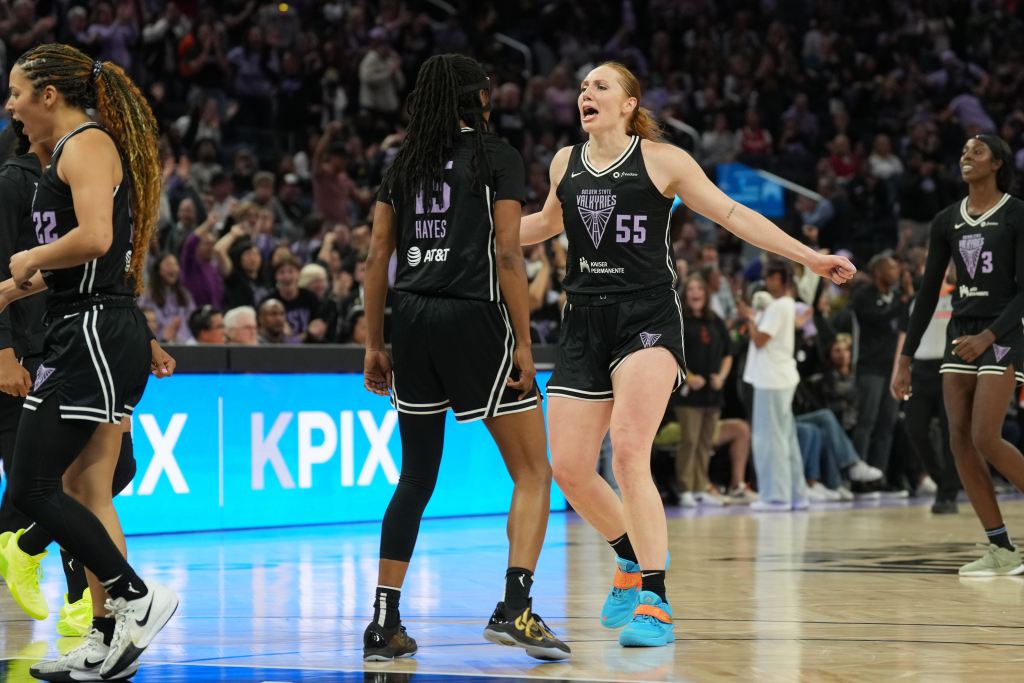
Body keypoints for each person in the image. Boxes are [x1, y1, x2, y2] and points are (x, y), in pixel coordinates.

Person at [520, 61, 854, 647]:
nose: (585, 94)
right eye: (581, 88)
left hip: (646, 318)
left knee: (627, 450)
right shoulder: (563, 163)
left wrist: (810, 257)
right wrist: (466, 231)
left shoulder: (663, 161)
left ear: (629, 104)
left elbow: (732, 214)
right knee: (569, 468)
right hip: (583, 321)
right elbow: (546, 223)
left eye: (600, 86)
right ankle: (628, 556)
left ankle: (657, 599)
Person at [362, 54, 570, 662]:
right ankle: (516, 608)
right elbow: (509, 254)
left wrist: (376, 342)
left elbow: (378, 258)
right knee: (534, 472)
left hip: (414, 319)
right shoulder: (494, 156)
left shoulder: (405, 162)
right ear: (477, 99)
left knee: (415, 477)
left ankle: (383, 623)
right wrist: (527, 344)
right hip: (474, 316)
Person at [1, 44, 178, 678]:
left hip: (95, 334)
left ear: (49, 94)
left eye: (17, 92)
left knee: (31, 487)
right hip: (85, 325)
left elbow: (98, 238)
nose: (11, 106)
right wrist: (10, 289)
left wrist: (29, 260)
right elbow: (84, 256)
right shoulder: (71, 151)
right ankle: (107, 634)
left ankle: (134, 595)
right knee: (83, 488)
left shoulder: (86, 144)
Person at [894, 134, 1024, 577]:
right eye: (964, 150)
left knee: (987, 436)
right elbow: (928, 292)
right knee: (960, 442)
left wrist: (989, 335)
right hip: (961, 333)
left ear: (998, 163)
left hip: (1003, 332)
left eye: (978, 151)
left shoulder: (1017, 214)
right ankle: (1002, 549)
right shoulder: (947, 220)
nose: (967, 156)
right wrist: (906, 357)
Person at [672, 274, 731, 507]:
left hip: (713, 392)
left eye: (700, 288)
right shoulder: (680, 320)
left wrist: (722, 377)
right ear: (686, 294)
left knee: (707, 442)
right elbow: (671, 352)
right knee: (690, 440)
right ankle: (685, 487)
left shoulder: (715, 320)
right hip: (689, 394)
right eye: (692, 288)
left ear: (706, 295)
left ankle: (701, 486)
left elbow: (728, 352)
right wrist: (689, 377)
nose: (696, 292)